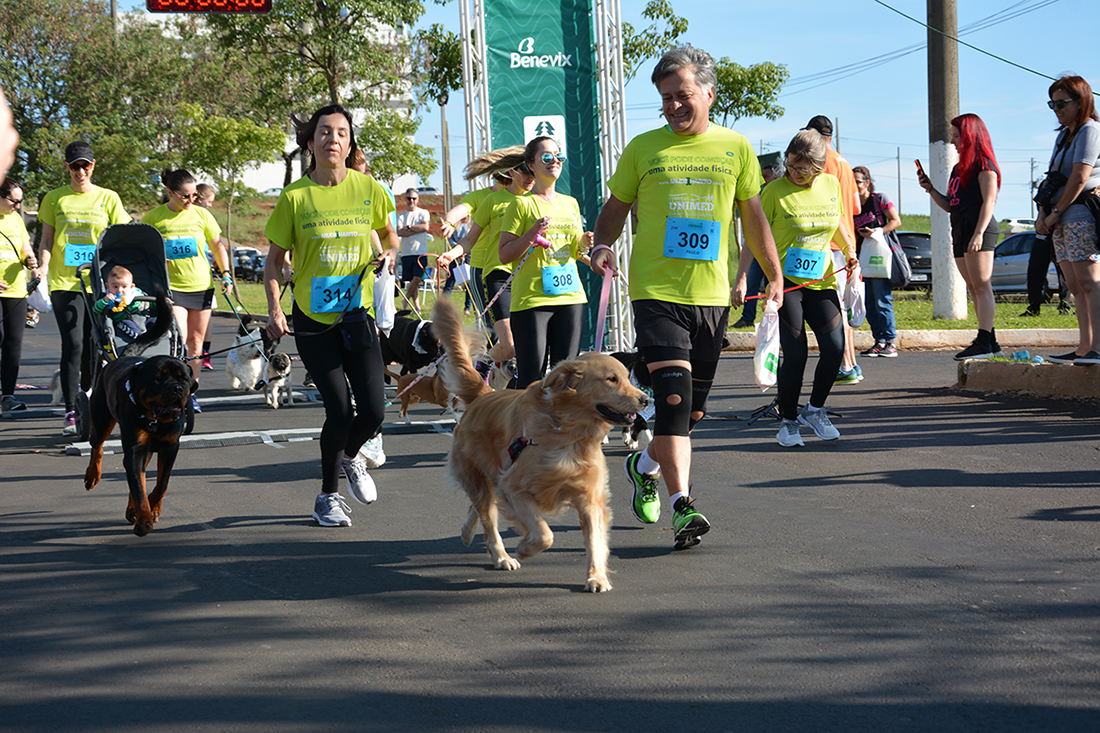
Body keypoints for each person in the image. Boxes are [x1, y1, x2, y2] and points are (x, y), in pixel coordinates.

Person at [591, 45, 783, 550]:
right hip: (656, 293)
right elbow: (614, 208)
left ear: (708, 94)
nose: (674, 106)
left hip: (712, 297)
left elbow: (754, 217)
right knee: (673, 401)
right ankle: (683, 506)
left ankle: (645, 463)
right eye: (665, 99)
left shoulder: (735, 148)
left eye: (682, 95)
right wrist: (603, 245)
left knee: (690, 413)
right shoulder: (643, 149)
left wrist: (773, 274)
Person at [263, 103, 398, 528]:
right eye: (324, 132)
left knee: (374, 413)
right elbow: (272, 262)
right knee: (339, 410)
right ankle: (327, 496)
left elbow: (390, 235)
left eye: (341, 132)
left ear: (349, 141)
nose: (333, 139)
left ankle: (352, 456)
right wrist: (273, 308)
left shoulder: (368, 189)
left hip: (358, 316)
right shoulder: (295, 197)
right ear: (310, 142)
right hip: (313, 320)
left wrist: (387, 256)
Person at [748, 131, 856, 447]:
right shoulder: (773, 192)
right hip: (786, 282)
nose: (796, 174)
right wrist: (748, 278)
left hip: (820, 279)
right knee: (795, 354)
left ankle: (815, 410)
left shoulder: (831, 185)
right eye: (791, 167)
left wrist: (849, 250)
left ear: (820, 168)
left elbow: (835, 220)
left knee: (835, 348)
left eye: (804, 169)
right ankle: (788, 419)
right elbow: (752, 237)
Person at [33, 141, 131, 435]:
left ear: (93, 165)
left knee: (94, 345)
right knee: (73, 344)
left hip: (99, 285)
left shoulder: (108, 198)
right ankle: (70, 411)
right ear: (67, 167)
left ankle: (88, 400)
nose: (80, 171)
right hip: (66, 283)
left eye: (85, 165)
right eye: (74, 166)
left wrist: (121, 279)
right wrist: (44, 267)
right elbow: (47, 240)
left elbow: (121, 237)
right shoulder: (54, 198)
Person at [498, 137, 591, 388]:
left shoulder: (570, 203)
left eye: (558, 156)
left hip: (570, 297)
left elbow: (573, 251)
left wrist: (585, 246)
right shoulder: (521, 203)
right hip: (532, 300)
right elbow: (504, 254)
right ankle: (525, 427)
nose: (555, 162)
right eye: (547, 157)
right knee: (532, 380)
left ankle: (563, 428)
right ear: (532, 164)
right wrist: (530, 236)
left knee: (568, 380)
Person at [142, 169, 233, 413]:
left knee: (196, 343)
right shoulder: (154, 218)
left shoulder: (202, 215)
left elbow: (217, 247)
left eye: (194, 195)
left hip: (201, 286)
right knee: (179, 340)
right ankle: (175, 389)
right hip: (173, 290)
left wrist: (226, 275)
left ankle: (191, 392)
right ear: (170, 193)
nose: (191, 200)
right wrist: (158, 261)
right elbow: (142, 251)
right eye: (185, 196)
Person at [438, 147, 534, 366]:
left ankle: (504, 380)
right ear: (509, 173)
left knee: (519, 335)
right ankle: (479, 376)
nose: (529, 177)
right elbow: (459, 218)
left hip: (521, 272)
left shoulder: (530, 198)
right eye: (524, 171)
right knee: (495, 334)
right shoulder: (485, 198)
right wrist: (450, 225)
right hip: (485, 272)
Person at [918, 113, 1003, 360]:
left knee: (981, 285)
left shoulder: (985, 165)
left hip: (980, 230)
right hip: (961, 229)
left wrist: (978, 234)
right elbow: (950, 204)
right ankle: (991, 341)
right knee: (973, 289)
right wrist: (930, 189)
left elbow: (990, 202)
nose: (953, 141)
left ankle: (984, 341)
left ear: (970, 136)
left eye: (957, 136)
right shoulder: (959, 168)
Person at [1035, 76, 1100, 365]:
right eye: (1052, 103)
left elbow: (1079, 177)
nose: (1055, 109)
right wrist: (1043, 214)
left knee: (1089, 282)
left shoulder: (1090, 130)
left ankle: (1097, 346)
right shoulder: (1064, 135)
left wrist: (1056, 212)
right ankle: (1084, 348)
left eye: (1061, 103)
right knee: (1074, 285)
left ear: (1081, 101)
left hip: (1080, 215)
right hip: (1059, 218)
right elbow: (1053, 179)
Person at [804, 115, 862, 384]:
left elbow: (821, 203)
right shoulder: (844, 162)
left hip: (828, 242)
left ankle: (845, 365)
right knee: (842, 305)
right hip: (846, 240)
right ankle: (851, 363)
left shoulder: (823, 162)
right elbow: (856, 208)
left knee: (834, 307)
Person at [853, 166, 902, 357]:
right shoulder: (852, 204)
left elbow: (896, 221)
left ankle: (890, 341)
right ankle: (879, 341)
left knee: (882, 298)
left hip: (880, 255)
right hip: (861, 257)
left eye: (857, 181)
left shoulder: (879, 199)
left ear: (867, 182)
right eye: (851, 182)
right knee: (869, 302)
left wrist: (876, 232)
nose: (854, 185)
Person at [732, 161, 782, 329]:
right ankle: (747, 316)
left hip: (774, 252)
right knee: (751, 282)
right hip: (755, 249)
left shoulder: (779, 195)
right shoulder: (758, 196)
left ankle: (774, 318)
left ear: (776, 177)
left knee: (774, 285)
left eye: (766, 177)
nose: (763, 181)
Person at [0, 178, 34, 412]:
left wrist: (29, 259)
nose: (18, 206)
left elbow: (24, 245)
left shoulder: (15, 219)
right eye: (14, 201)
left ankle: (8, 396)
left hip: (16, 289)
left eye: (20, 201)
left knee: (13, 343)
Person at [91, 265, 155, 341]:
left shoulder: (137, 294)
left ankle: (161, 334)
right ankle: (141, 339)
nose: (120, 290)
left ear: (131, 287)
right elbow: (96, 309)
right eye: (115, 287)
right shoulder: (109, 298)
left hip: (142, 318)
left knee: (155, 321)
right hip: (123, 321)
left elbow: (150, 304)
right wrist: (104, 301)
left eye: (124, 287)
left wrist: (163, 302)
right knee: (130, 327)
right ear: (108, 286)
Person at [396, 188, 430, 313]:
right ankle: (417, 307)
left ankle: (405, 300)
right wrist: (415, 229)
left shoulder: (423, 212)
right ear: (405, 199)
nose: (411, 200)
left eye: (414, 198)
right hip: (406, 253)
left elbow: (425, 227)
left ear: (418, 199)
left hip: (420, 252)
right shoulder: (401, 215)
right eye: (409, 198)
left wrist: (409, 227)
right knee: (412, 281)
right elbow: (399, 232)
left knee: (417, 278)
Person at [195, 183, 217, 370]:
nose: (210, 205)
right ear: (200, 198)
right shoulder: (200, 216)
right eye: (209, 201)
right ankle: (201, 353)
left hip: (203, 275)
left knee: (206, 317)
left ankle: (204, 353)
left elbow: (217, 245)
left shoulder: (204, 217)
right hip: (194, 276)